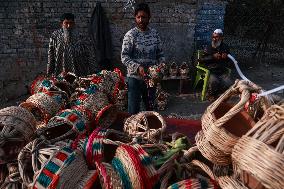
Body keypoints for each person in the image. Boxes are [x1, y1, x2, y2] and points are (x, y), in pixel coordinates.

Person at [121, 3, 166, 114]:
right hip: (134, 78)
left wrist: (161, 67)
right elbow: (124, 56)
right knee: (133, 110)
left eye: (143, 17)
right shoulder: (130, 35)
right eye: (138, 17)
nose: (141, 20)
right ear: (135, 18)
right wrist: (137, 67)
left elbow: (160, 55)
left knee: (150, 108)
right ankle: (132, 129)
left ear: (149, 17)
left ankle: (150, 129)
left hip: (151, 79)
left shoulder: (154, 34)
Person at [47, 13, 96, 77]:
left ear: (74, 23)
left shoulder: (81, 36)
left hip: (79, 71)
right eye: (66, 23)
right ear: (61, 24)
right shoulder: (55, 36)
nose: (68, 26)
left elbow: (89, 54)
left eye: (71, 23)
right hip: (60, 71)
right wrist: (49, 73)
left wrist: (93, 72)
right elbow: (51, 55)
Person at [200, 29, 233, 100]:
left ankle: (219, 95)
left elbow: (231, 61)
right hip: (211, 70)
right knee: (214, 81)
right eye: (213, 37)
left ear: (221, 38)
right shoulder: (208, 47)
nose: (214, 39)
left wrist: (226, 57)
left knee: (229, 83)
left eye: (216, 37)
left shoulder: (225, 47)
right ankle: (210, 95)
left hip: (222, 70)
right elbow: (201, 60)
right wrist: (212, 57)